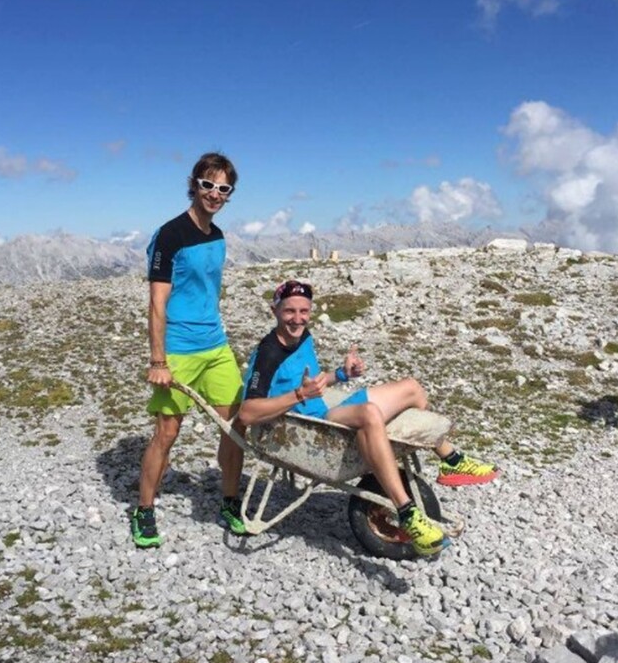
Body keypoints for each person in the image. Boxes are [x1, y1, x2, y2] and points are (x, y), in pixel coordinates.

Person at [238, 279, 498, 556]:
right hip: (309, 429)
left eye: (304, 311)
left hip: (323, 415)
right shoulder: (268, 354)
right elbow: (248, 412)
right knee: (369, 413)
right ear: (275, 311)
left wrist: (341, 374)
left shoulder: (303, 337)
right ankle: (407, 513)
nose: (298, 319)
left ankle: (451, 461)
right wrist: (300, 395)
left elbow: (314, 384)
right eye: (289, 311)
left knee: (412, 388)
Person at [131, 152, 245, 547]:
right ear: (194, 185)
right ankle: (144, 509)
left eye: (223, 188)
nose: (215, 194)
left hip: (215, 345)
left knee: (234, 427)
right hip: (178, 348)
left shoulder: (218, 236)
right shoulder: (170, 235)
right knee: (167, 431)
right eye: (208, 185)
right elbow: (157, 302)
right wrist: (158, 360)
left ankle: (229, 501)